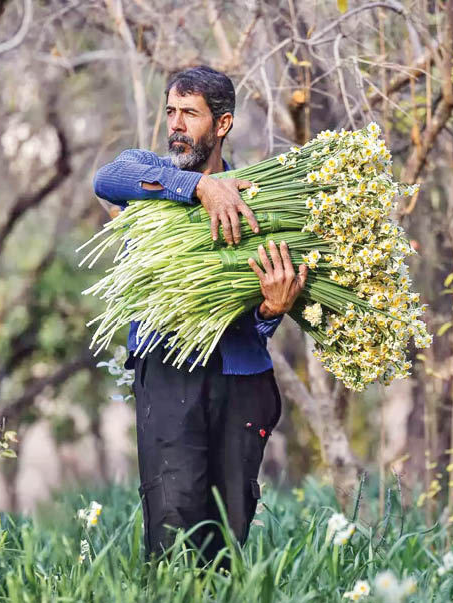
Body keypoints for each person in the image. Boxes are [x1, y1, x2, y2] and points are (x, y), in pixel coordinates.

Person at [92, 65, 307, 567]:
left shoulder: (260, 196)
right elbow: (105, 179)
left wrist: (271, 311)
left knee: (231, 525)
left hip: (241, 377)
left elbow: (263, 304)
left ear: (223, 123)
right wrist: (198, 188)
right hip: (168, 370)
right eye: (171, 111)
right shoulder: (148, 176)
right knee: (173, 517)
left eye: (190, 113)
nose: (176, 124)